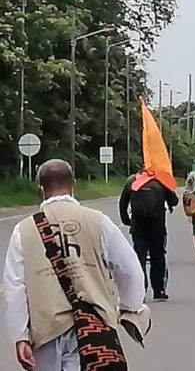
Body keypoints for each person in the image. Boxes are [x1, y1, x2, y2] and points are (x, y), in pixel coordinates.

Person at [3, 159, 149, 371]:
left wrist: (20, 336)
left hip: (46, 331)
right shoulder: (99, 221)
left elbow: (15, 286)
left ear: (40, 190)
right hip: (94, 326)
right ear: (73, 186)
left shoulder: (22, 231)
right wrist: (130, 307)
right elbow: (130, 269)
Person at [119, 169, 179, 301]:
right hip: (157, 227)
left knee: (139, 258)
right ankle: (159, 290)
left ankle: (141, 290)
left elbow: (123, 203)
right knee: (158, 256)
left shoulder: (133, 180)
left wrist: (126, 221)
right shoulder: (161, 180)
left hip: (138, 228)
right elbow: (174, 201)